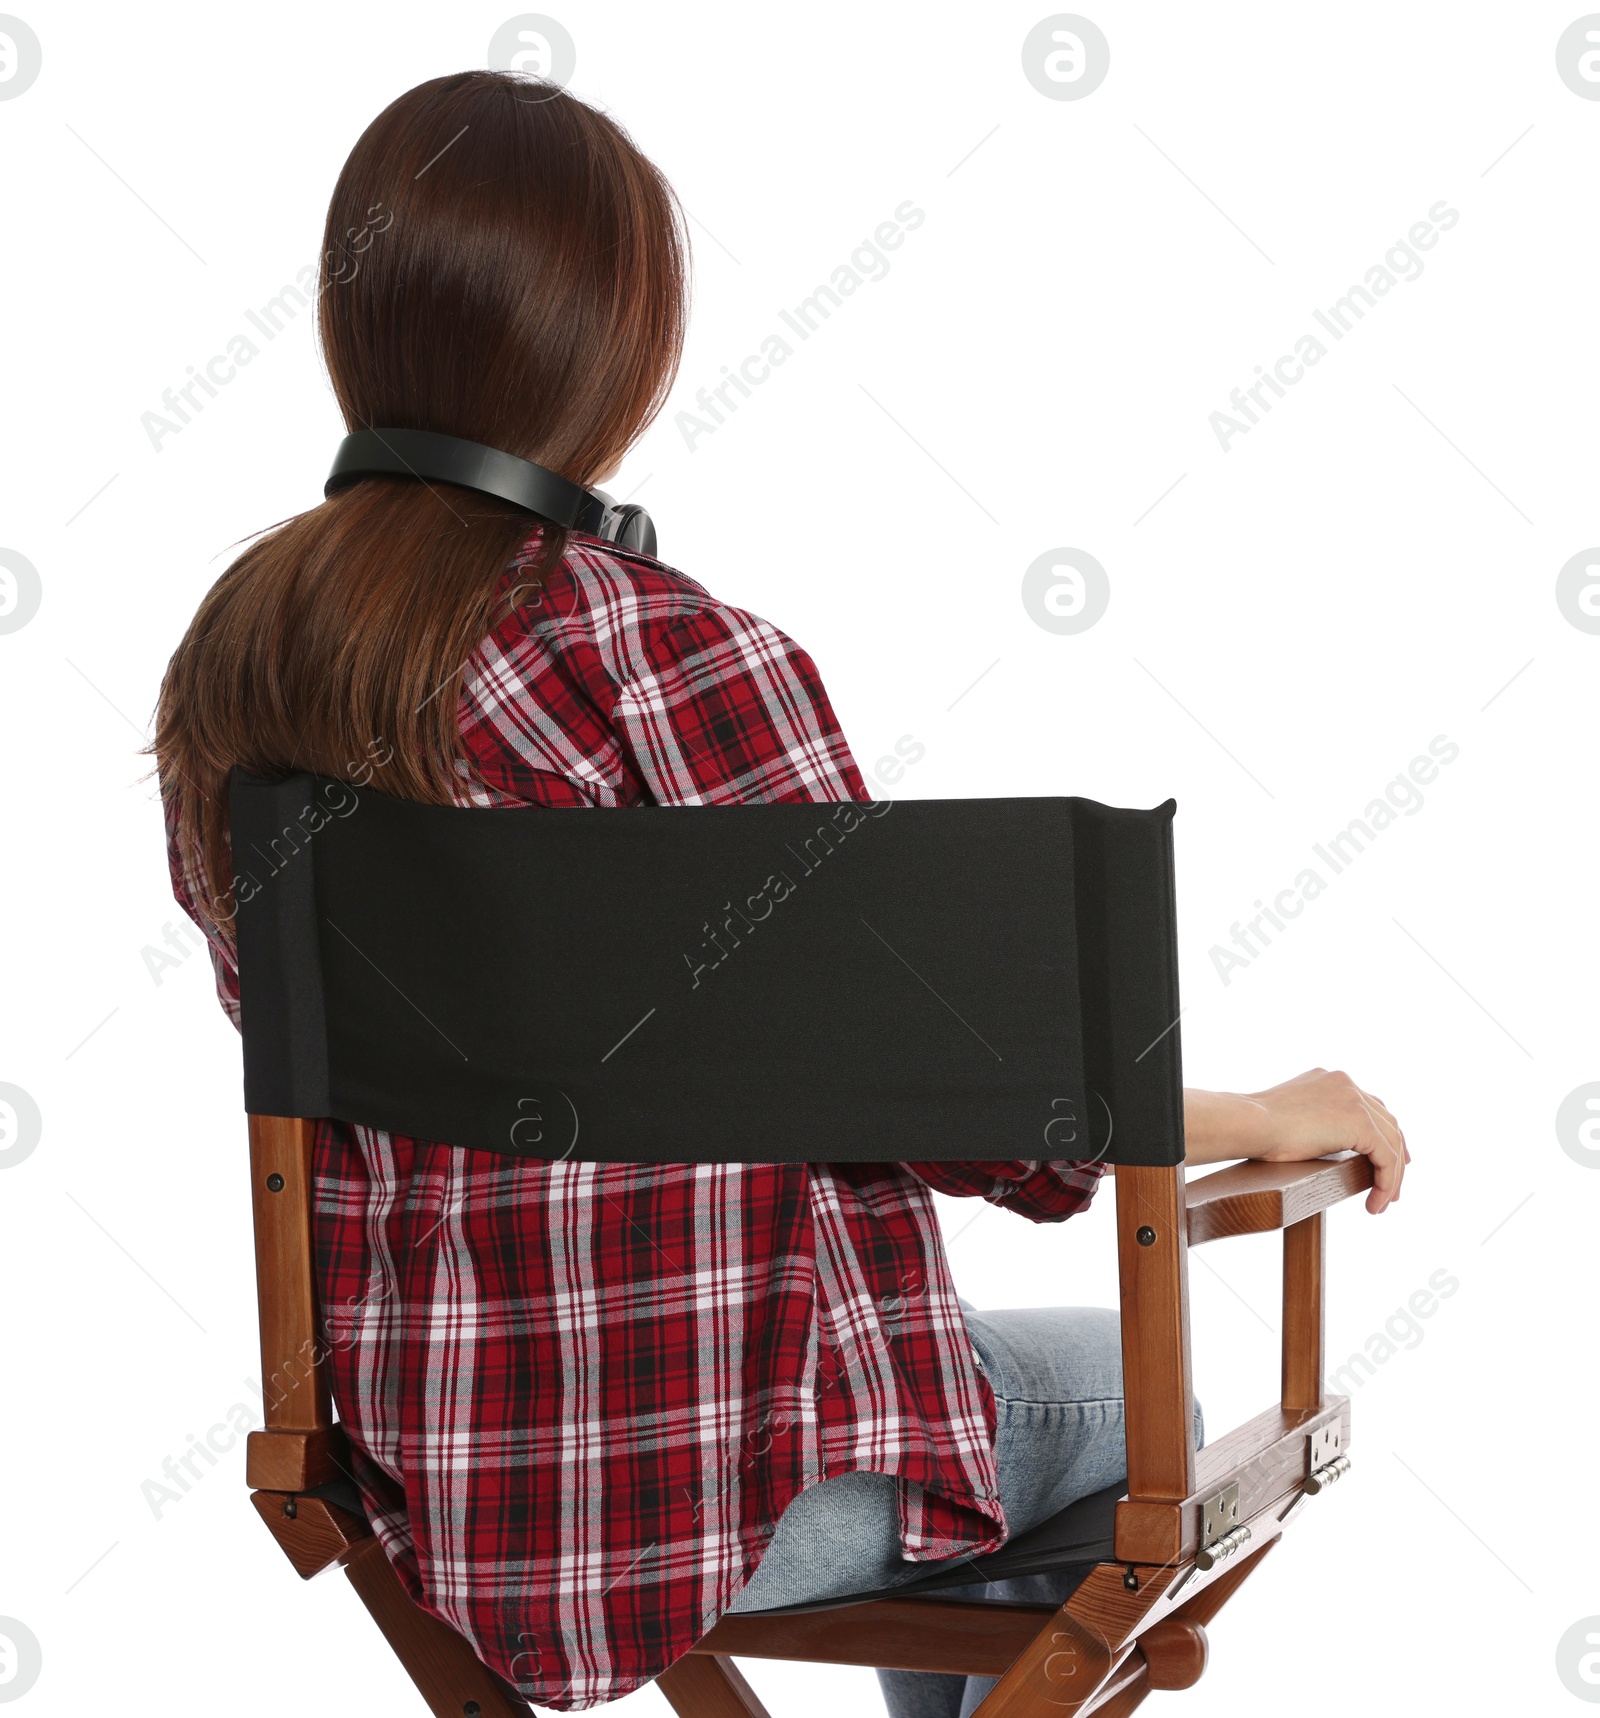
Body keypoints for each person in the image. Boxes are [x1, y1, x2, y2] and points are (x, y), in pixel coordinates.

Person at [153, 70, 1408, 1715]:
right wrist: (1266, 1106)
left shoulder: (240, 672)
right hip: (734, 1502)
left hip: (438, 1496)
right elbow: (978, 1106)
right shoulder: (663, 654)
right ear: (620, 346)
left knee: (958, 1397)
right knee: (1115, 1392)